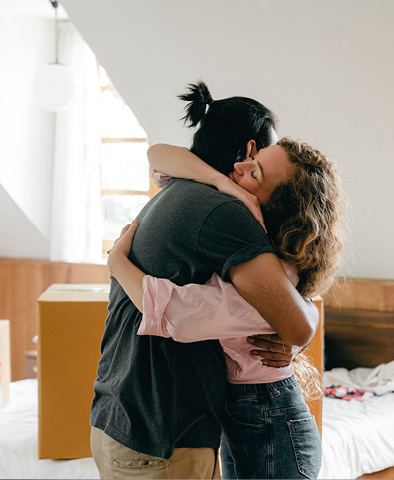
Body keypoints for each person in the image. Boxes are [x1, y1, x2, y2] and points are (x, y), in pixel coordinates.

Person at [89, 82, 320, 479]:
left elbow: (158, 153)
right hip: (162, 432)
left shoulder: (177, 189)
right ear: (249, 150)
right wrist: (116, 262)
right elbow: (293, 323)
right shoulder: (226, 213)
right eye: (263, 154)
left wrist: (116, 260)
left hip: (122, 415)